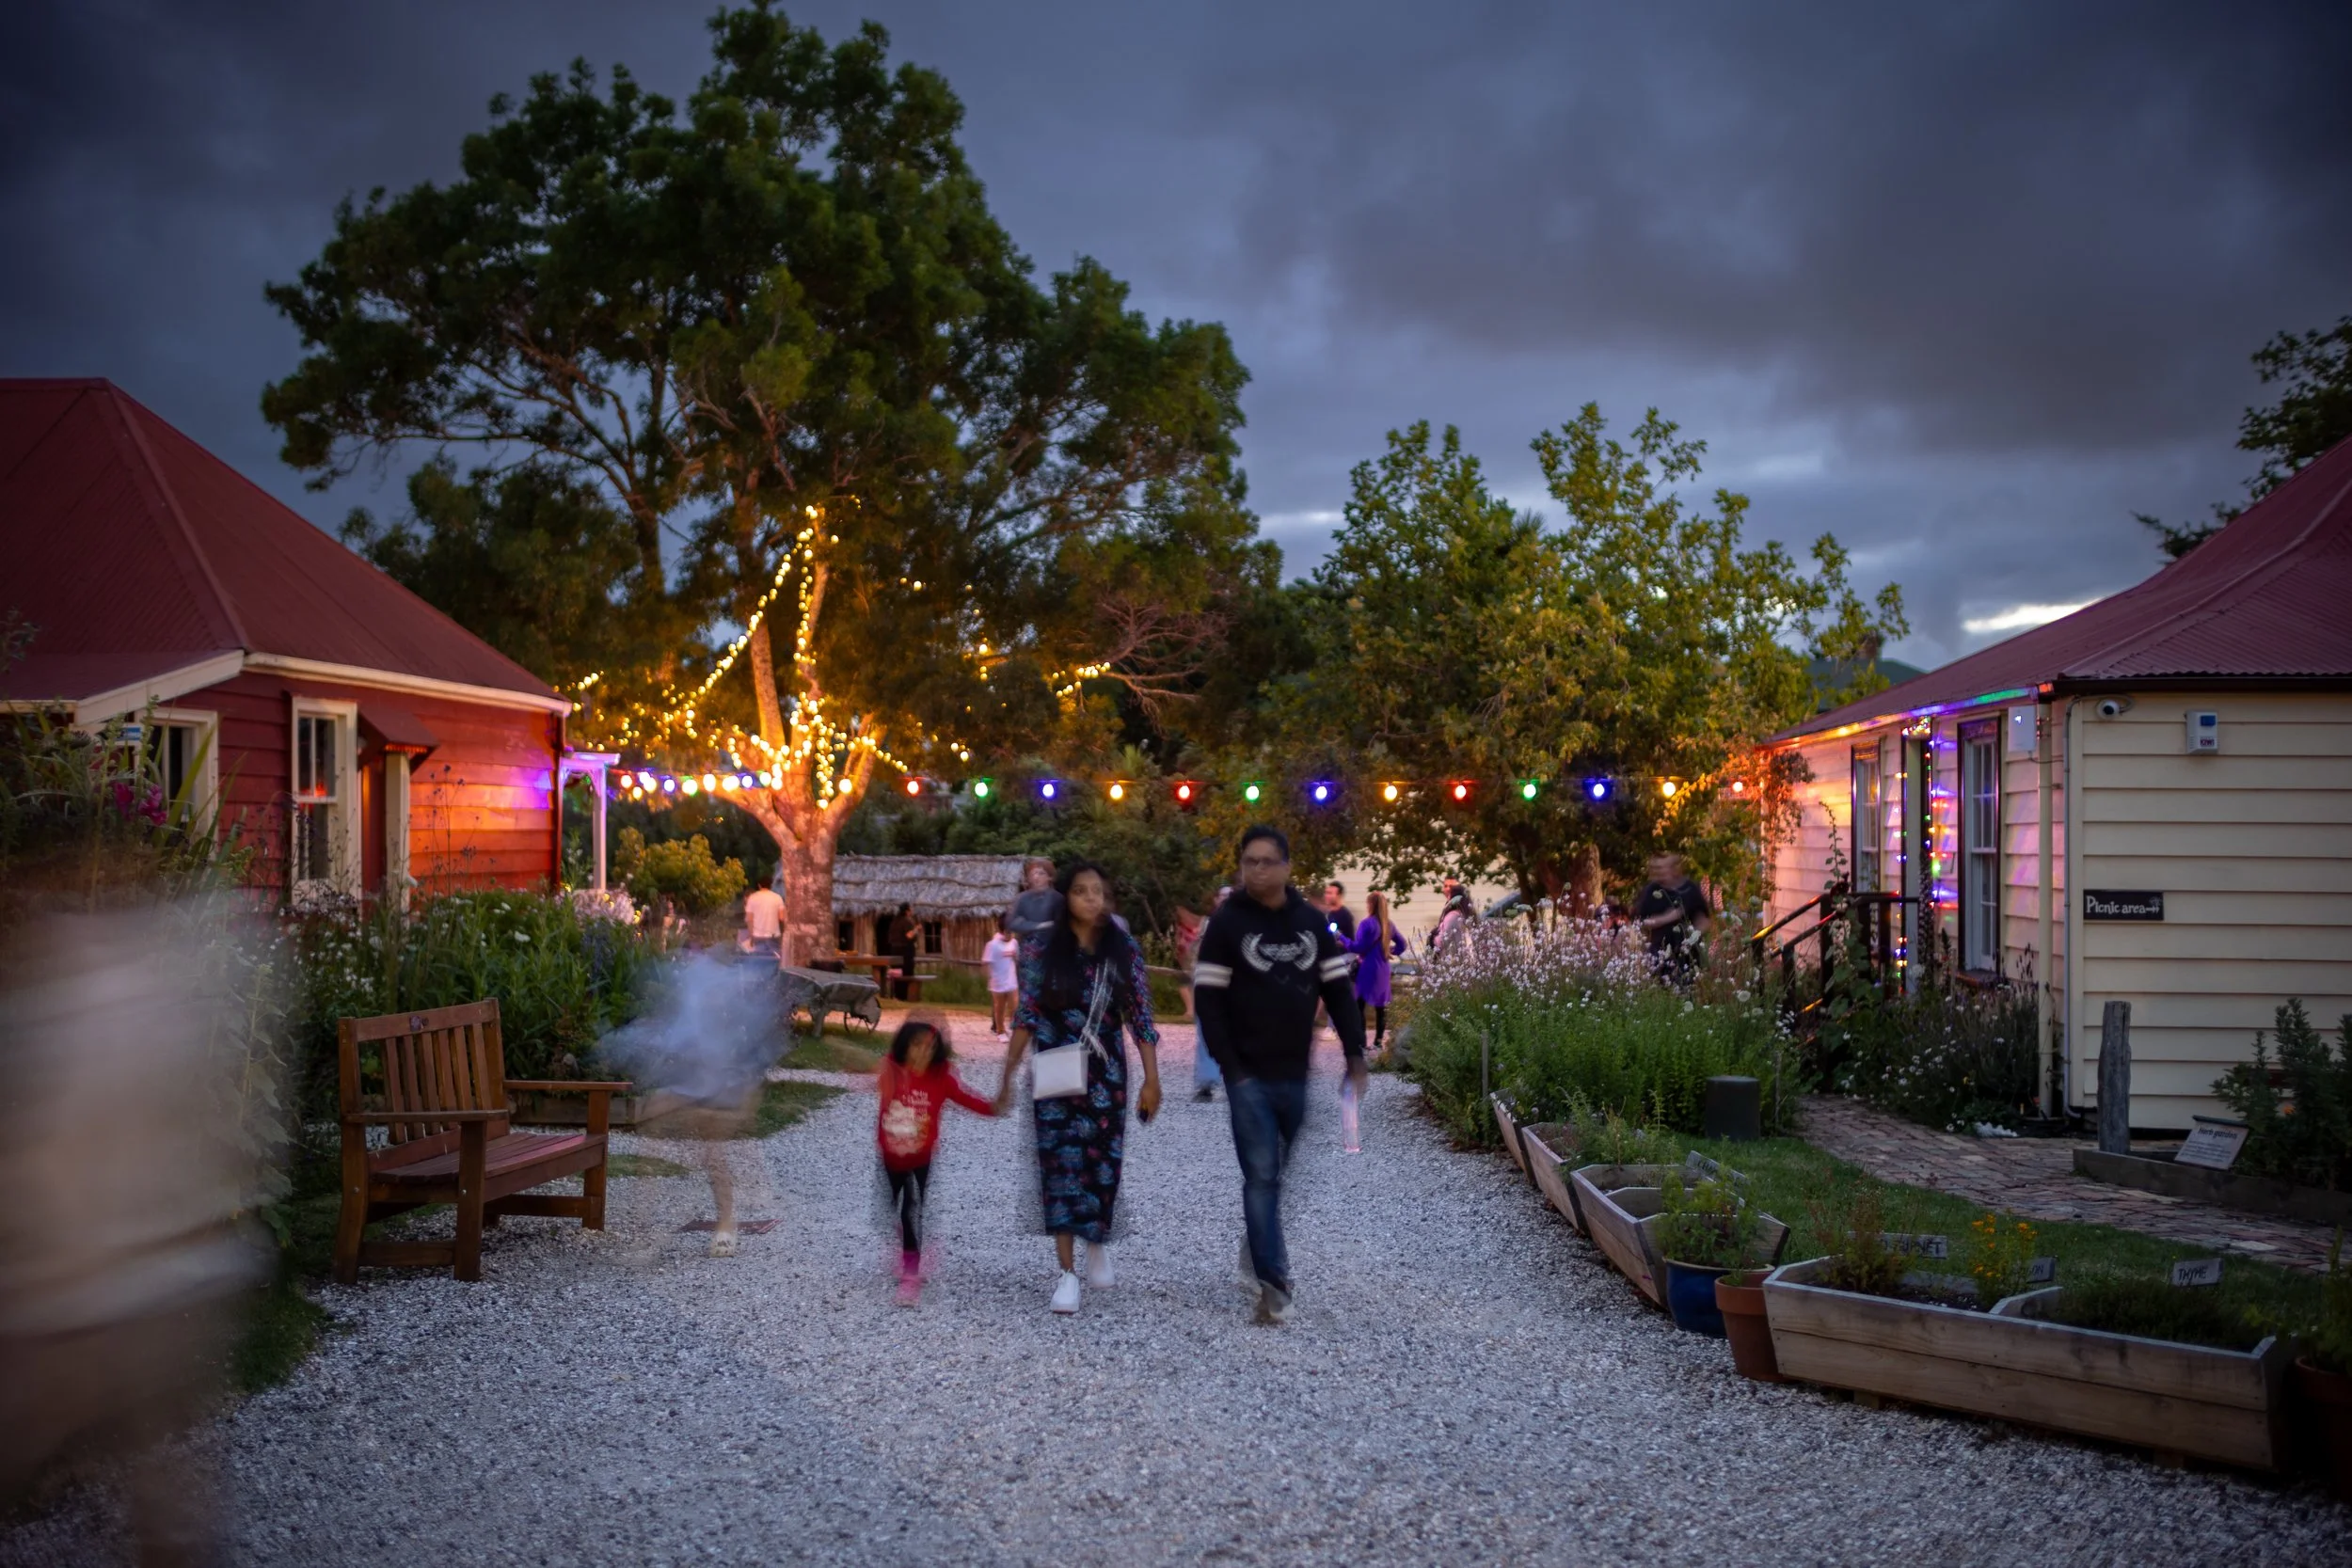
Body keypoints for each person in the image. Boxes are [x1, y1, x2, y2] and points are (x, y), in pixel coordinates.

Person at [1193, 826, 1368, 1325]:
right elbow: (1208, 998)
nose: (1258, 870)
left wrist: (1355, 1054)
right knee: (1262, 1176)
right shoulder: (1226, 924)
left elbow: (1337, 991)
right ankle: (1275, 1282)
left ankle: (1256, 1247)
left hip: (1296, 1073)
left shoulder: (1312, 923)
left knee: (1277, 1173)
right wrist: (1231, 1066)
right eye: (1249, 861)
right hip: (1246, 1075)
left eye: (1268, 861)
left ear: (1288, 867)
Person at [995, 862, 1163, 1314]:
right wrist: (1008, 1073)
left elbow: (1140, 1016)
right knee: (1060, 1171)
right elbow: (1027, 1014)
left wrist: (1153, 1078)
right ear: (1065, 897)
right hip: (1054, 1071)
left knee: (1103, 1167)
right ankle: (1066, 1273)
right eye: (1082, 891)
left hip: (1107, 1076)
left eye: (1099, 892)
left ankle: (1096, 1238)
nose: (1092, 899)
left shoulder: (1123, 948)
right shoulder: (1040, 949)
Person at [875, 1015, 998, 1306]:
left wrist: (994, 1107)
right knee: (890, 1209)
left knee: (911, 1212)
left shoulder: (940, 1078)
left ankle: (910, 1275)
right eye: (917, 1046)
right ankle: (909, 1252)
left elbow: (966, 1098)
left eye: (930, 1048)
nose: (923, 1053)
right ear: (904, 1047)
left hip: (920, 1159)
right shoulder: (891, 1071)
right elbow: (874, 1078)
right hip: (890, 1156)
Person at [1632, 850, 1711, 983]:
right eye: (1656, 868)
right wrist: (1668, 917)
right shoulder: (1651, 891)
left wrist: (1693, 937)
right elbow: (1641, 921)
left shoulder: (1690, 889)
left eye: (1662, 868)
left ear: (1675, 868)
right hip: (1660, 954)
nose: (1659, 872)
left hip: (1689, 955)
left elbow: (1704, 920)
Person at [1351, 890, 1408, 1059]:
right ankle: (1377, 1042)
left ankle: (1361, 1043)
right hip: (1383, 969)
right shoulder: (1388, 924)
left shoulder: (1366, 924)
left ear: (1371, 905)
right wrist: (1390, 949)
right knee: (1380, 1008)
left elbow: (1359, 947)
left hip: (1367, 969)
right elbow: (1403, 945)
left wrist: (1342, 938)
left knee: (1359, 1005)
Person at [1005, 856, 1062, 937]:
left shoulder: (1057, 898)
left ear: (1050, 877)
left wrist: (1025, 923)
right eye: (1033, 874)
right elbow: (1012, 924)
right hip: (1027, 946)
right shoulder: (1022, 898)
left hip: (1052, 945)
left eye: (1041, 873)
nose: (1036, 877)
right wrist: (1040, 925)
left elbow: (1060, 924)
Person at [983, 916, 1021, 1037]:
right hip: (998, 983)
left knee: (1015, 1007)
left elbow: (1017, 958)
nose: (1011, 935)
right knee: (999, 1009)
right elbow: (986, 963)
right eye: (1009, 932)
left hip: (1011, 982)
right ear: (1003, 931)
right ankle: (1000, 1030)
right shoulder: (992, 945)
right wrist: (990, 977)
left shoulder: (1014, 943)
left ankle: (1015, 1030)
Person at [741, 879, 786, 959]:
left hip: (758, 936)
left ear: (759, 885)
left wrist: (752, 937)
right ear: (771, 885)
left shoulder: (752, 898)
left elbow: (749, 919)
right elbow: (782, 918)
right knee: (776, 958)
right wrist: (781, 935)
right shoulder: (778, 898)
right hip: (774, 936)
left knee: (755, 957)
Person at [886, 903, 922, 999]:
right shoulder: (907, 921)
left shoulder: (895, 922)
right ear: (907, 911)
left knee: (896, 973)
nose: (912, 911)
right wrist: (916, 929)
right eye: (911, 909)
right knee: (906, 972)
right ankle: (904, 996)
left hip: (894, 950)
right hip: (905, 951)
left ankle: (897, 995)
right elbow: (909, 935)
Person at [1320, 880, 1356, 950]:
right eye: (1326, 893)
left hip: (1338, 958)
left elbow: (1350, 941)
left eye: (1330, 893)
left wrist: (1334, 942)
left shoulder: (1345, 916)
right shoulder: (1326, 914)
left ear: (1339, 896)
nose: (1326, 896)